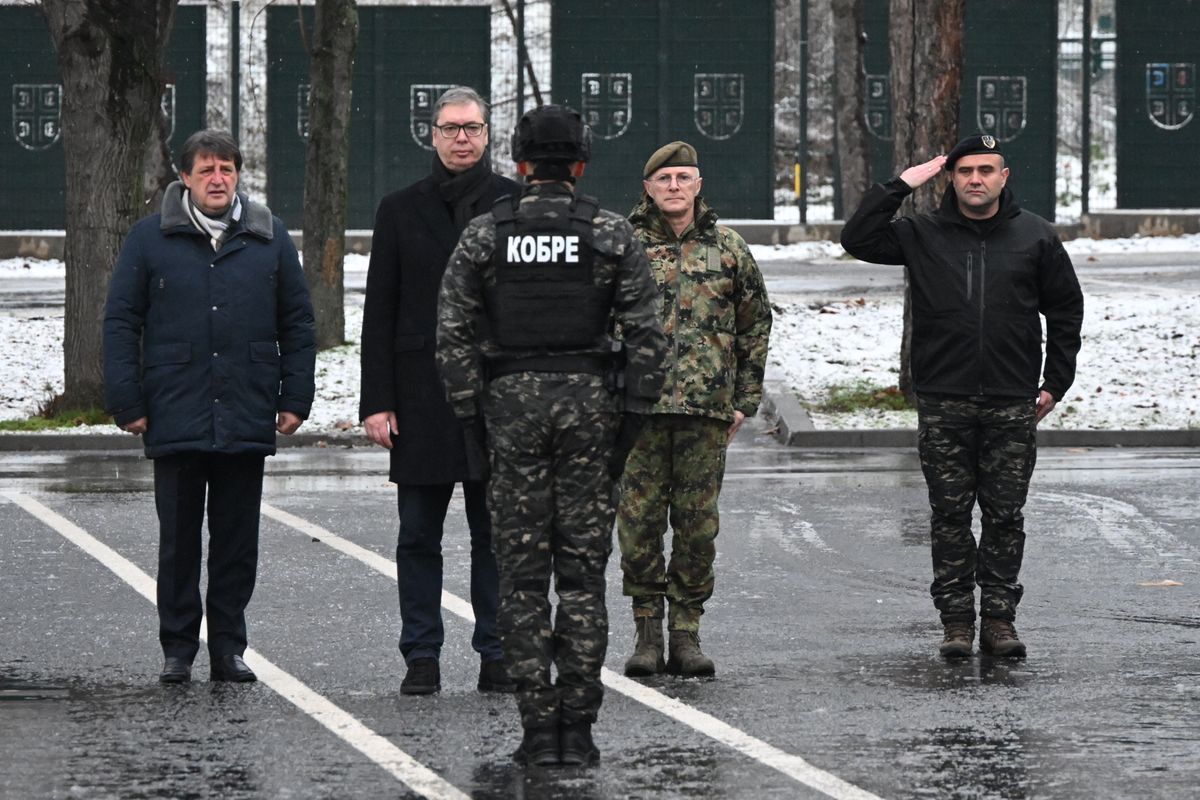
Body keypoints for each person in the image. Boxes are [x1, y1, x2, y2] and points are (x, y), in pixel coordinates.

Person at [436, 105, 666, 766]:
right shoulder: (611, 234)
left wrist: (470, 413)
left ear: (519, 163)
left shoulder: (486, 234)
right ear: (582, 163)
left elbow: (451, 332)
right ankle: (580, 729)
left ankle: (538, 730)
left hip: (510, 410)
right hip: (591, 410)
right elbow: (649, 337)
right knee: (583, 577)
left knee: (522, 580)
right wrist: (631, 419)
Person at [840, 133, 1084, 660]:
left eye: (986, 170)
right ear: (951, 177)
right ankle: (955, 622)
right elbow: (857, 239)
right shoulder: (921, 234)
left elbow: (1065, 313)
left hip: (1010, 398)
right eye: (965, 170)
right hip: (943, 398)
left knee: (1004, 515)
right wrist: (902, 184)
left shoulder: (1036, 236)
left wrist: (1054, 382)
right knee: (949, 514)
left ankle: (998, 620)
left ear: (1004, 176)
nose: (976, 179)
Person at [104, 129, 316, 684]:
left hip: (246, 406)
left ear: (238, 174)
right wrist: (127, 398)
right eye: (205, 170)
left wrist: (295, 397)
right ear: (185, 179)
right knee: (178, 542)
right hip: (175, 408)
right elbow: (122, 322)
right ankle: (178, 648)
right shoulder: (150, 239)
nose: (217, 179)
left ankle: (229, 647)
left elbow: (297, 323)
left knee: (236, 540)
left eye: (226, 168)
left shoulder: (271, 238)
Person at [359, 86, 519, 696]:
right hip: (419, 398)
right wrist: (377, 400)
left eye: (472, 128)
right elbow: (381, 310)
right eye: (450, 128)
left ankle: (497, 652)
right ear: (432, 134)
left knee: (495, 539)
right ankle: (421, 655)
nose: (461, 138)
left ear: (487, 134)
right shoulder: (399, 208)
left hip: (496, 399)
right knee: (417, 537)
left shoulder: (514, 203)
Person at [618, 141, 773, 679]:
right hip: (637, 413)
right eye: (664, 179)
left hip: (706, 413)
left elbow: (755, 325)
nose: (674, 187)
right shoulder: (622, 245)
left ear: (699, 184)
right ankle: (645, 632)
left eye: (684, 177)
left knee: (696, 527)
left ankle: (686, 632)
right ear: (648, 187)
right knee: (637, 526)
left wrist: (744, 402)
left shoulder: (728, 248)